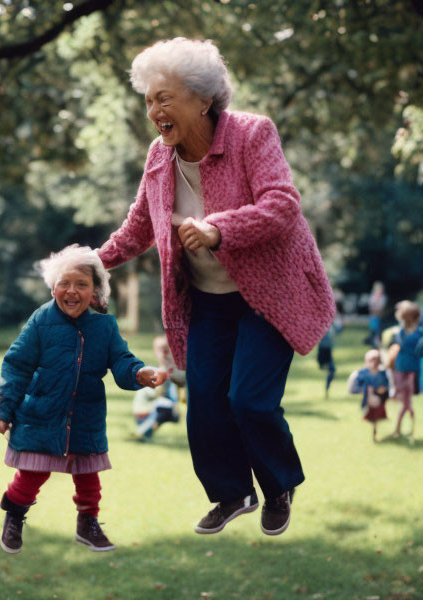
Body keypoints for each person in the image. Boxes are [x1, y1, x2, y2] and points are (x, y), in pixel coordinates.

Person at [97, 38, 335, 537]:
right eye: (148, 100)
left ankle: (279, 485)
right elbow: (139, 227)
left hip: (268, 296)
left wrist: (218, 228)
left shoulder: (251, 134)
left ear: (203, 99)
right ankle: (232, 494)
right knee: (204, 402)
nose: (154, 110)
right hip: (207, 303)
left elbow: (283, 204)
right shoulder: (160, 158)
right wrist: (89, 263)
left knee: (248, 400)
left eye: (165, 97)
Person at [0, 245, 168, 554]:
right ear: (53, 287)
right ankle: (14, 515)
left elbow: (122, 361)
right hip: (42, 415)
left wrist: (140, 373)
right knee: (31, 475)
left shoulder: (104, 327)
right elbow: (17, 365)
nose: (71, 291)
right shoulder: (41, 321)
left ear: (95, 292)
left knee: (89, 478)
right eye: (64, 283)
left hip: (85, 416)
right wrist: (6, 408)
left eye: (82, 284)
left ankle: (88, 523)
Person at [133, 334, 186, 440]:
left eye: (167, 350)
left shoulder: (178, 371)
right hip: (149, 406)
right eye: (162, 350)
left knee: (163, 406)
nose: (165, 354)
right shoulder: (153, 370)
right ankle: (144, 431)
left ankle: (144, 432)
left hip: (166, 404)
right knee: (161, 405)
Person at [386, 300, 423, 439]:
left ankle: (399, 428)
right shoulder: (400, 332)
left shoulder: (419, 333)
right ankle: (408, 424)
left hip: (412, 368)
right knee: (405, 400)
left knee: (407, 400)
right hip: (401, 366)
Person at [348, 349, 390, 442]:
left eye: (376, 360)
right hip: (368, 399)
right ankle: (373, 430)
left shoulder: (382, 374)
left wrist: (383, 390)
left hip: (378, 400)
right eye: (372, 360)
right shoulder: (363, 373)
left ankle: (374, 432)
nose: (374, 363)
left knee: (376, 417)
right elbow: (355, 386)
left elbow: (386, 385)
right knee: (370, 416)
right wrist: (362, 390)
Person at [317, 312, 343, 399]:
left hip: (328, 351)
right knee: (329, 370)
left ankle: (327, 390)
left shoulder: (332, 324)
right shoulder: (322, 323)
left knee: (332, 371)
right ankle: (326, 390)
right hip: (323, 351)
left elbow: (339, 330)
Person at [366, 281, 386, 347]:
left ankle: (377, 343)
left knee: (378, 330)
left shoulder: (383, 297)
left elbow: (381, 309)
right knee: (373, 330)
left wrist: (376, 309)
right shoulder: (372, 296)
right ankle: (373, 342)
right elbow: (371, 308)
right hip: (373, 316)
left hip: (379, 317)